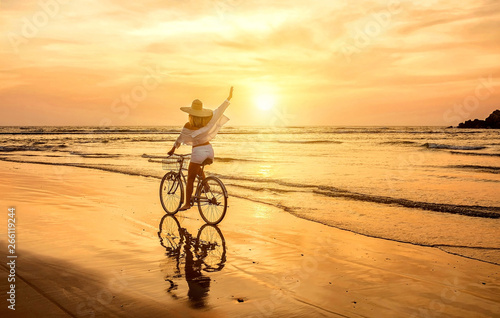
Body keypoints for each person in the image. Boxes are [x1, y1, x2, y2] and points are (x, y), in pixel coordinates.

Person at [167, 87, 233, 211]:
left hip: (198, 152)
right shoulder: (208, 121)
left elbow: (180, 138)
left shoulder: (188, 125)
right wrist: (228, 98)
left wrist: (173, 149)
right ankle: (206, 185)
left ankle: (187, 204)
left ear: (190, 114)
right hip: (209, 150)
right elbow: (219, 110)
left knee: (190, 178)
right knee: (197, 168)